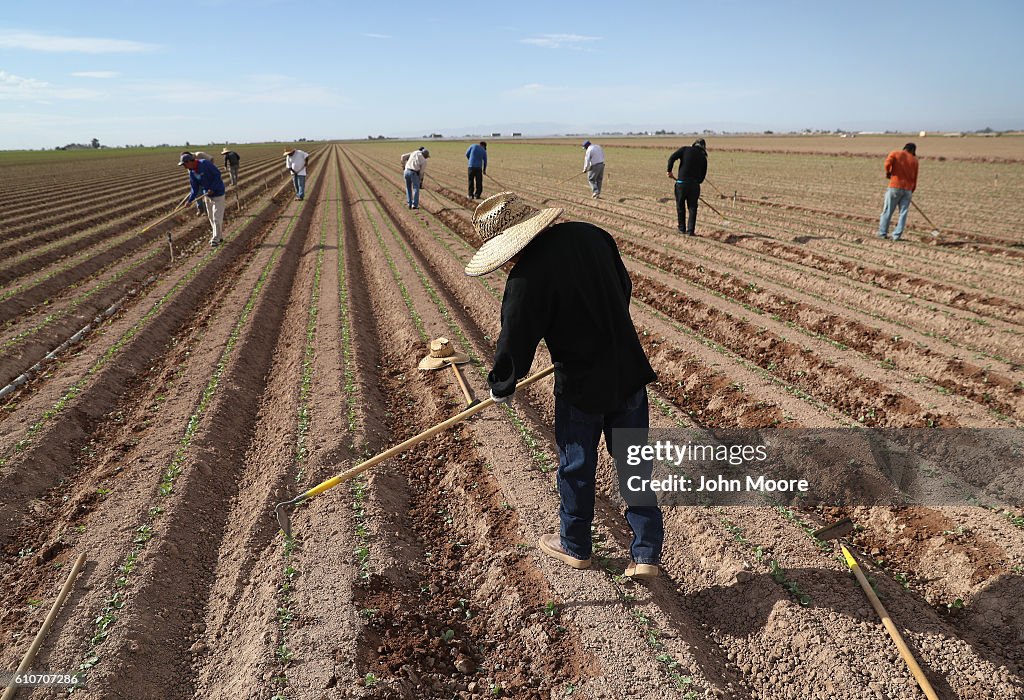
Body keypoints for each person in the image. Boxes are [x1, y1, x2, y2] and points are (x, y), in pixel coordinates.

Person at [464, 192, 663, 580]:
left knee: (577, 466)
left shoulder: (526, 277)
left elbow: (515, 339)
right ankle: (646, 553)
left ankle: (575, 546)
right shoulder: (593, 235)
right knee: (634, 460)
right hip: (627, 368)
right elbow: (623, 289)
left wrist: (502, 383)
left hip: (581, 384)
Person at [178, 151, 227, 247]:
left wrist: (213, 188)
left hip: (218, 194)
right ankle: (219, 236)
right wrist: (190, 201)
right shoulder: (192, 173)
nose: (184, 167)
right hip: (207, 196)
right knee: (211, 218)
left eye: (184, 164)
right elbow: (194, 189)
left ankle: (215, 239)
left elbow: (217, 175)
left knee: (217, 218)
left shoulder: (204, 163)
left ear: (189, 162)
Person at [666, 138, 708, 236]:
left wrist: (669, 171)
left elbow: (671, 158)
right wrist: (695, 183)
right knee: (692, 208)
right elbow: (702, 177)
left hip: (681, 184)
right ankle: (690, 231)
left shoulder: (685, 149)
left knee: (680, 207)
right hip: (694, 186)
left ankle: (681, 229)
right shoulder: (703, 157)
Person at [878, 143, 919, 241]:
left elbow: (887, 164)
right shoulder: (915, 161)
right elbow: (915, 177)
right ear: (913, 151)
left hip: (895, 187)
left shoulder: (895, 153)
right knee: (903, 213)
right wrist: (911, 190)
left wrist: (888, 173)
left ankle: (882, 233)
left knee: (887, 211)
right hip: (908, 190)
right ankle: (896, 236)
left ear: (904, 148)